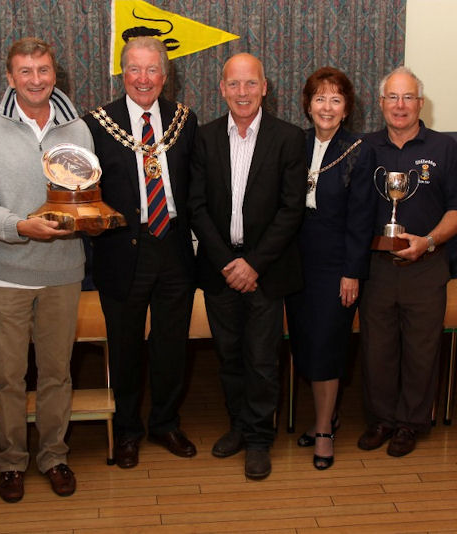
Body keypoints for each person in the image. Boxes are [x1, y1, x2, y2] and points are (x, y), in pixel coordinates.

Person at [0, 37, 93, 502]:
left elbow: (84, 195)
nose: (35, 80)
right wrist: (20, 227)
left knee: (57, 374)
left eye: (43, 70)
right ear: (10, 77)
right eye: (25, 71)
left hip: (63, 271)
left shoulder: (79, 127)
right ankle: (12, 462)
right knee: (8, 377)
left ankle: (54, 457)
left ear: (55, 73)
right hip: (5, 272)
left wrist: (89, 219)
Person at [82, 37, 198, 469]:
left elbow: (196, 188)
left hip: (173, 249)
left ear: (165, 77)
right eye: (135, 69)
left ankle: (165, 423)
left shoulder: (184, 120)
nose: (143, 79)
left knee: (171, 346)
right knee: (126, 346)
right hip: (121, 250)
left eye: (152, 71)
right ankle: (128, 430)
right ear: (122, 73)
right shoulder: (96, 124)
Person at [189, 52, 307, 480]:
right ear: (222, 89)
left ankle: (259, 438)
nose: (242, 92)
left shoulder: (289, 139)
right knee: (229, 356)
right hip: (221, 268)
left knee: (261, 359)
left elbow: (292, 211)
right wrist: (227, 262)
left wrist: (252, 264)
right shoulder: (202, 138)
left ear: (265, 87)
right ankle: (238, 425)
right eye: (234, 84)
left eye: (250, 84)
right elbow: (196, 206)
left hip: (267, 271)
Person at [359, 66, 457, 457]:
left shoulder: (444, 149)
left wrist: (427, 241)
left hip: (427, 265)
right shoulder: (364, 147)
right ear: (381, 103)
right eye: (393, 97)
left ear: (421, 103)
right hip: (375, 267)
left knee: (422, 350)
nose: (400, 105)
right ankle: (381, 419)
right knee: (377, 348)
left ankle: (410, 423)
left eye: (408, 98)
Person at [285, 67, 375, 470]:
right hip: (295, 261)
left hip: (336, 265)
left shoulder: (359, 149)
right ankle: (328, 415)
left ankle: (323, 430)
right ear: (307, 104)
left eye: (335, 100)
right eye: (319, 98)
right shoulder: (294, 143)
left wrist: (351, 271)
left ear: (346, 109)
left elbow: (362, 220)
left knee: (326, 346)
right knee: (304, 344)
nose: (326, 106)